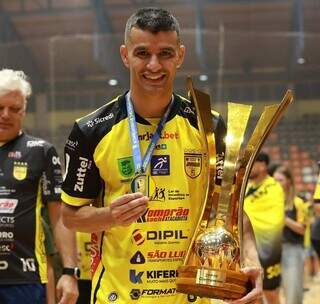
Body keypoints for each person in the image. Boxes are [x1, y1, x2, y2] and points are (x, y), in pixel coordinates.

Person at [61, 7, 262, 304]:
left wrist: (252, 259)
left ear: (180, 56)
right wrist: (110, 216)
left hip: (191, 296)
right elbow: (70, 216)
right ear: (125, 55)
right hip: (118, 296)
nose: (154, 65)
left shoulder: (208, 125)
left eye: (165, 54)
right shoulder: (91, 131)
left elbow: (232, 210)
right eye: (142, 53)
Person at [0, 68, 79, 303]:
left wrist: (70, 272)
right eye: (0, 107)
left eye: (14, 109)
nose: (5, 114)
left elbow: (60, 217)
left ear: (24, 110)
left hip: (24, 280)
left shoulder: (40, 151)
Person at [244, 152, 285, 304]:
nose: (248, 167)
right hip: (247, 248)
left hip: (268, 248)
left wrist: (248, 225)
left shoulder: (274, 187)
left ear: (262, 166)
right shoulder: (246, 187)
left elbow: (275, 220)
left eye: (252, 163)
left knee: (270, 292)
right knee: (252, 294)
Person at [273, 166, 307, 304]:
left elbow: (302, 229)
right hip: (272, 250)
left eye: (280, 180)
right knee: (271, 291)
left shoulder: (297, 202)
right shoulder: (270, 202)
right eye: (274, 180)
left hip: (292, 249)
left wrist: (284, 219)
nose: (276, 183)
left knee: (293, 290)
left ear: (288, 181)